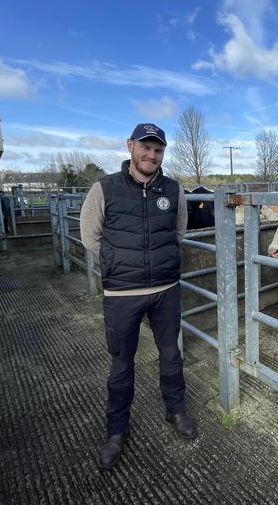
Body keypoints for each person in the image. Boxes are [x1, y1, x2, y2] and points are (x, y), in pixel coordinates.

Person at [80, 123, 195, 471]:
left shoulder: (173, 190)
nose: (152, 154)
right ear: (130, 146)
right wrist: (120, 263)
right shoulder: (105, 189)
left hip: (165, 290)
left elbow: (178, 232)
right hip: (121, 294)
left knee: (171, 355)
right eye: (145, 147)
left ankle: (175, 410)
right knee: (120, 365)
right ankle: (117, 431)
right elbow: (90, 237)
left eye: (158, 149)